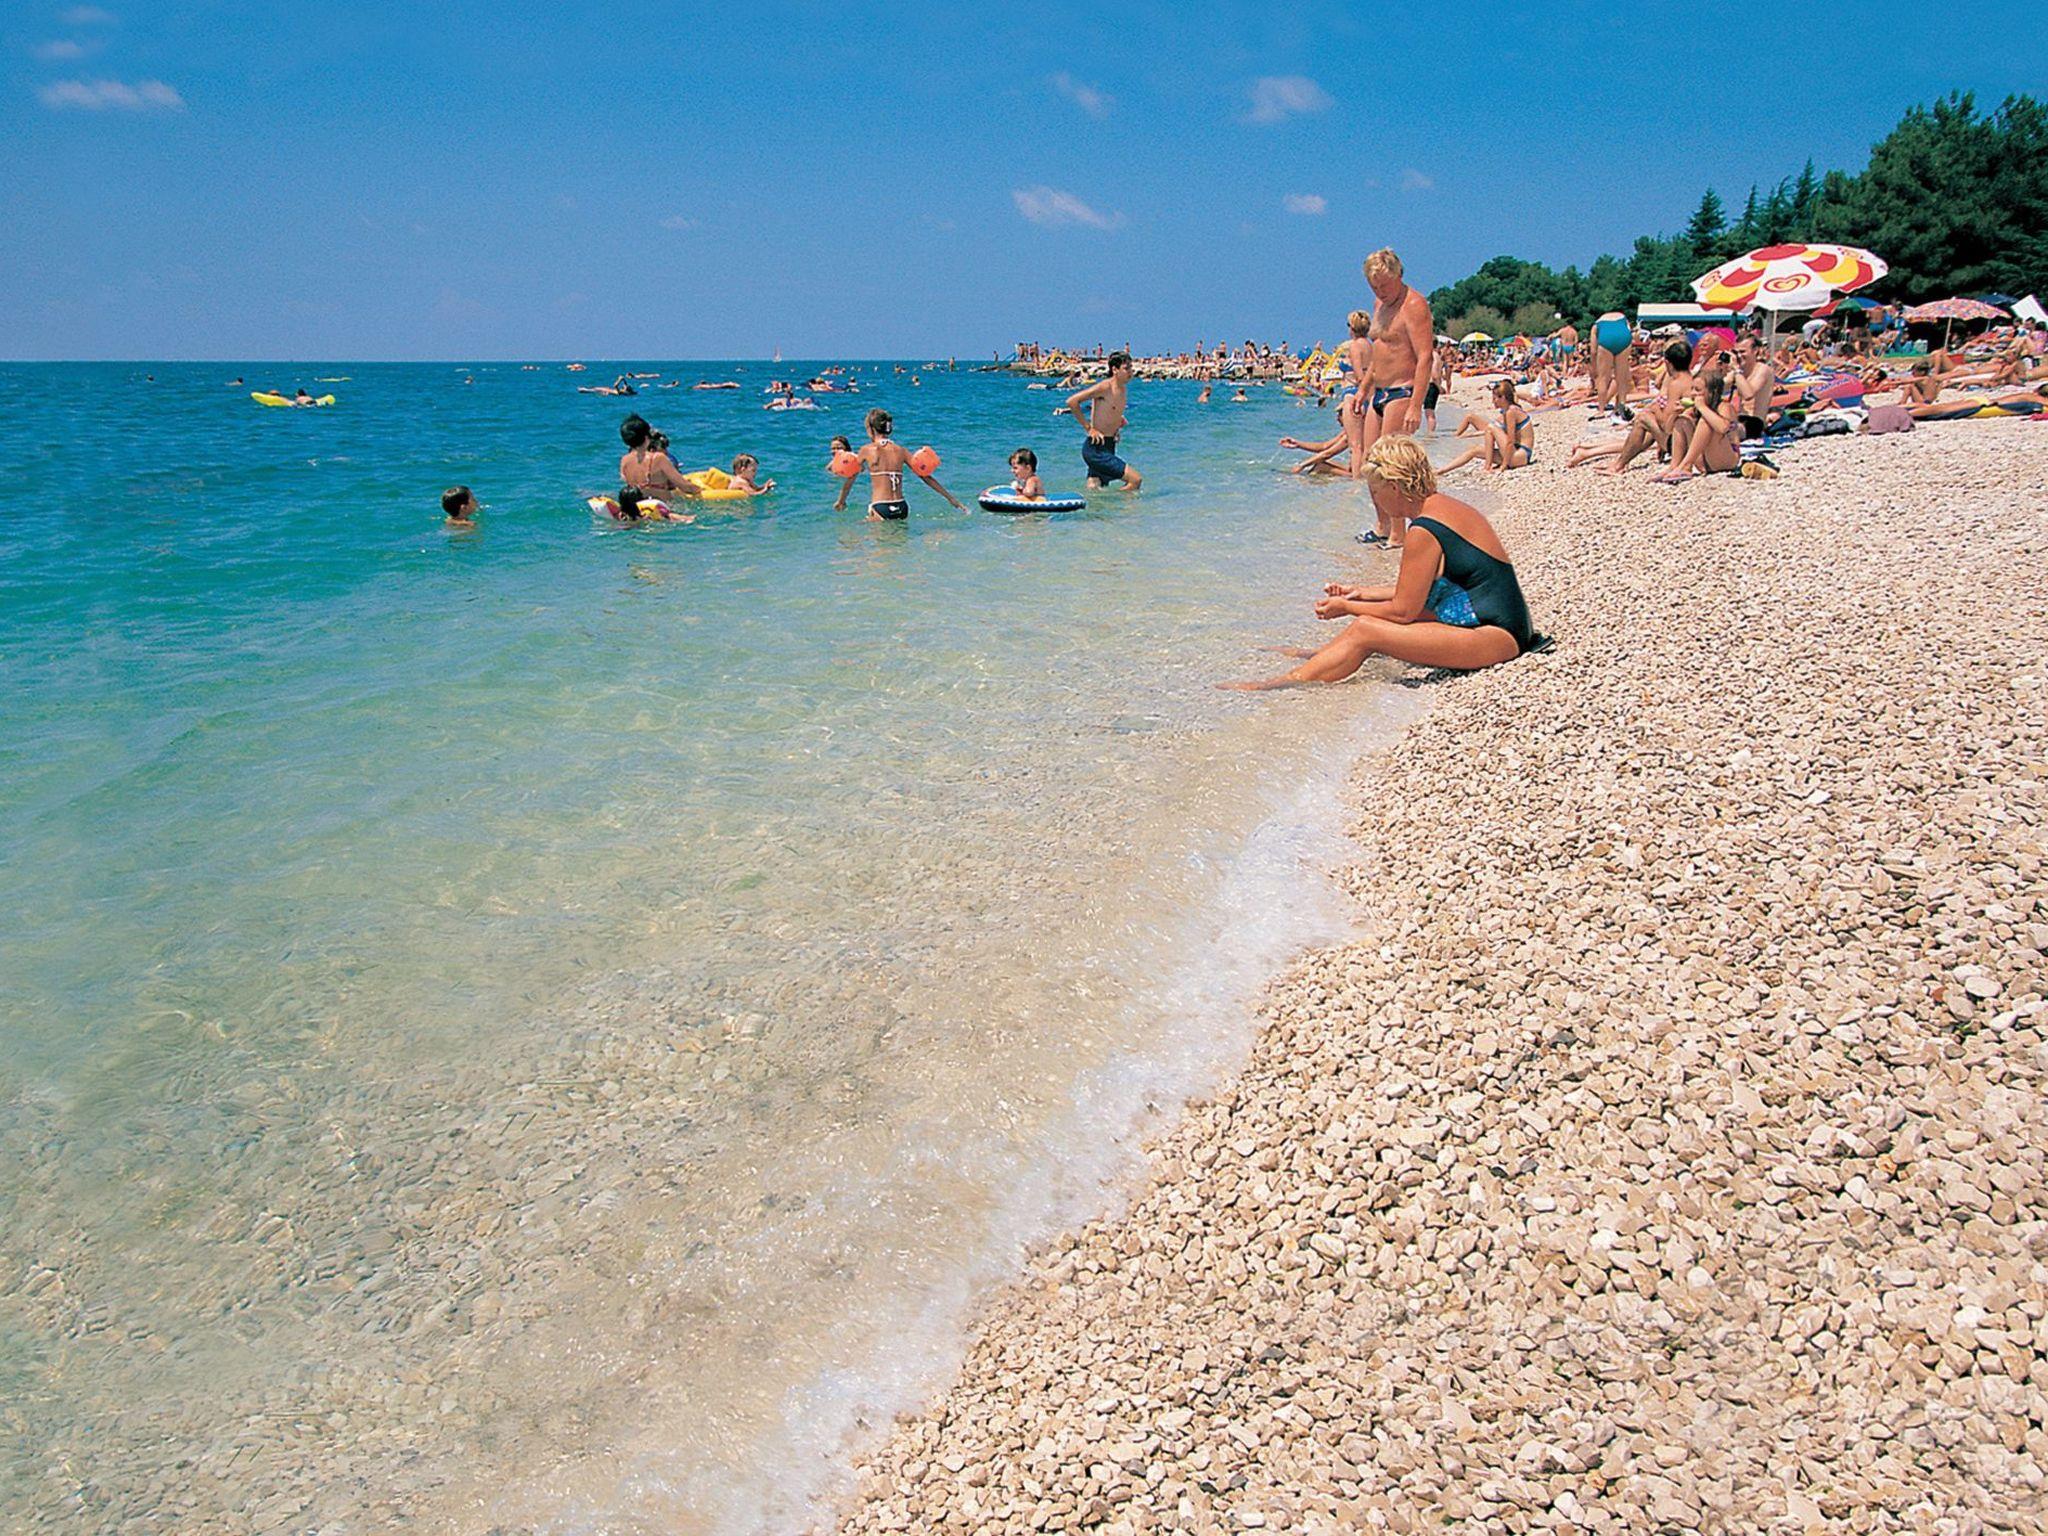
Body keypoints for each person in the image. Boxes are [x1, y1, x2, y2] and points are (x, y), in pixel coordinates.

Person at [1221, 436, 1540, 689]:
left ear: (1394, 487)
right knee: (1372, 621)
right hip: (1505, 625)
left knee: (1365, 630)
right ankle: (1316, 657)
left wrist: (1347, 608)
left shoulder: (1424, 530)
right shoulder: (1445, 508)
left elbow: (1403, 611)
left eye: (1374, 490)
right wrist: (1359, 592)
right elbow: (1421, 590)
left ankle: (1280, 684)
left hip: (1496, 638)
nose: (1375, 499)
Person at [1355, 250, 1435, 544]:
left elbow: (1425, 357)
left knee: (1391, 466)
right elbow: (1379, 352)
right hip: (1378, 392)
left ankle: (1399, 534)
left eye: (1385, 285)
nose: (1380, 291)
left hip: (1402, 391)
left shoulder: (1414, 305)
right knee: (1370, 464)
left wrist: (1416, 405)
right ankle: (1383, 525)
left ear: (1399, 275)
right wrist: (1363, 389)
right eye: (1374, 286)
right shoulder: (1379, 304)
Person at [857, 407, 964, 520]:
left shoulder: (867, 450)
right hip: (901, 506)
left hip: (881, 506)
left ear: (871, 429)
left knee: (861, 528)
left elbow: (853, 471)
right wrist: (951, 499)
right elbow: (925, 476)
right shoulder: (901, 451)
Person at [1066, 352, 1143, 490]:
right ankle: (1120, 503)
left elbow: (1109, 411)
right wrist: (1089, 429)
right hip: (1095, 447)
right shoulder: (1105, 387)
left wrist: (1117, 426)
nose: (1131, 372)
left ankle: (1097, 505)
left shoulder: (1122, 389)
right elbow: (1072, 401)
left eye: (1131, 367)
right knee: (1135, 480)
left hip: (1109, 445)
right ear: (1115, 369)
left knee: (1095, 489)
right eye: (1126, 368)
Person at [1654, 373, 1743, 481]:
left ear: (1711, 392)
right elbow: (1668, 430)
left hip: (1727, 459)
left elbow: (1722, 428)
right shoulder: (1694, 409)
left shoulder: (1724, 407)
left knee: (1705, 422)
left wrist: (1702, 407)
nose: (1693, 393)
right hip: (1704, 460)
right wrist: (1674, 414)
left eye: (1697, 390)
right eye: (1692, 389)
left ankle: (1686, 465)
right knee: (1682, 421)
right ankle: (1675, 466)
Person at [617, 413, 702, 515]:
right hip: (662, 509)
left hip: (639, 509)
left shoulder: (624, 460)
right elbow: (685, 487)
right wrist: (701, 490)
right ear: (646, 437)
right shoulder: (658, 458)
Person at [1729, 333, 1777, 439]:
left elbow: (1748, 394)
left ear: (1755, 351)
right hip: (1738, 419)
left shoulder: (1762, 369)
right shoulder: (1739, 372)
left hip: (1753, 422)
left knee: (1721, 430)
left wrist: (1736, 370)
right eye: (1736, 352)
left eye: (1742, 352)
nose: (1739, 356)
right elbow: (1719, 387)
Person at [1591, 311, 1633, 416]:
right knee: (1621, 377)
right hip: (1623, 335)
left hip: (1606, 337)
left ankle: (1601, 410)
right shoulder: (1624, 319)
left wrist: (1593, 367)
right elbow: (1630, 332)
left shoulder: (1597, 324)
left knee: (1603, 378)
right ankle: (1621, 407)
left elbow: (1593, 351)